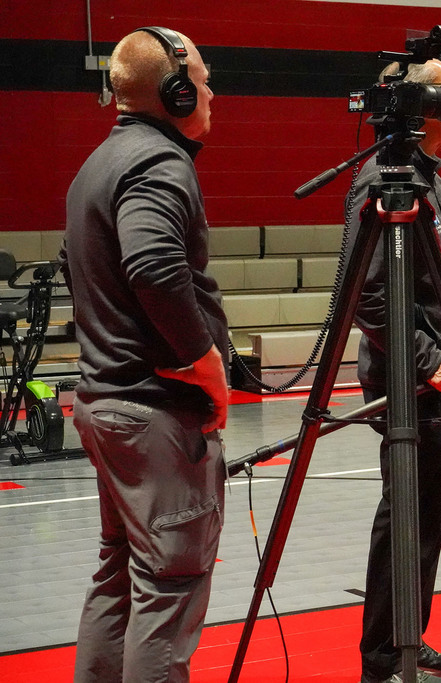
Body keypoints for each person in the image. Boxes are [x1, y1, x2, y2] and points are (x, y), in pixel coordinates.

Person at [60, 27, 228, 683]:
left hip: (106, 405)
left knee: (119, 577)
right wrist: (206, 362)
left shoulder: (95, 165)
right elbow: (155, 266)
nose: (212, 91)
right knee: (167, 589)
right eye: (204, 78)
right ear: (176, 92)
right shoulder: (159, 163)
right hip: (154, 415)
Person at [347, 58, 441, 683]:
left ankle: (408, 641)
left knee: (427, 517)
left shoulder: (428, 176)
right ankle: (386, 662)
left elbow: (440, 284)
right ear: (426, 105)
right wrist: (430, 362)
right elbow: (367, 296)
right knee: (408, 517)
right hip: (416, 379)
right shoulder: (383, 177)